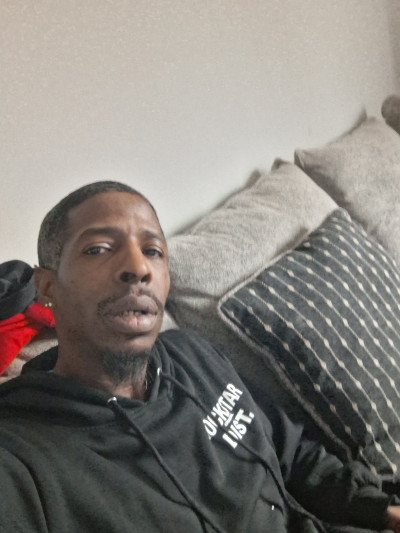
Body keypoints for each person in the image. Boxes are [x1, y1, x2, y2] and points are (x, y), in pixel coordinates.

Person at [0, 181, 400, 533]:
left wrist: (381, 511)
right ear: (47, 287)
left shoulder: (193, 354)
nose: (138, 267)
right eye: (98, 249)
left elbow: (291, 451)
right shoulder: (22, 457)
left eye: (153, 251)